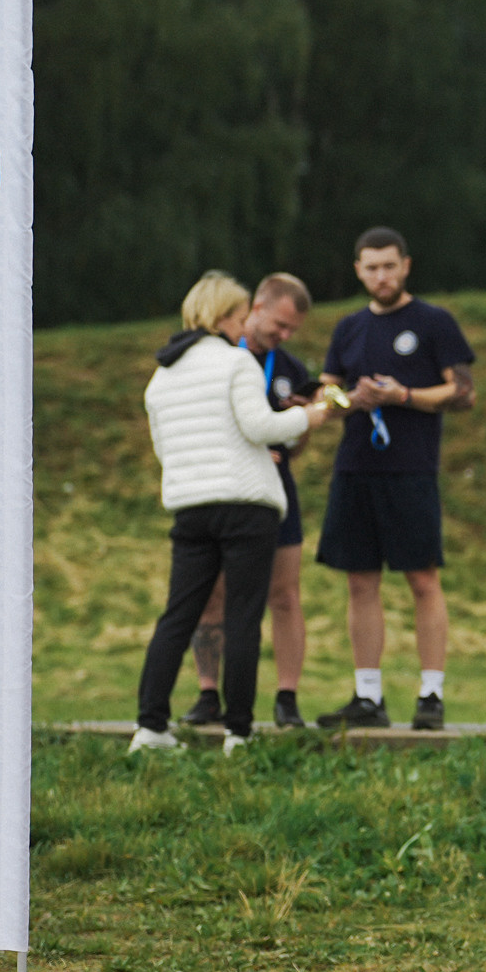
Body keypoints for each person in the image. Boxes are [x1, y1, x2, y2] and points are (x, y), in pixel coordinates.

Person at [129, 272, 332, 755]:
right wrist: (313, 416)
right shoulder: (236, 362)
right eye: (241, 319)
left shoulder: (162, 376)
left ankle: (150, 726)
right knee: (243, 617)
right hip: (245, 507)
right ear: (222, 317)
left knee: (178, 615)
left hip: (191, 508)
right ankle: (238, 733)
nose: (245, 329)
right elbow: (261, 427)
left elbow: (165, 447)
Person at [315, 228, 476, 730]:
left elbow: (464, 392)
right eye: (371, 267)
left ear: (406, 266)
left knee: (422, 579)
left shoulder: (433, 321)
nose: (381, 275)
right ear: (358, 270)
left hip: (410, 469)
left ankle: (431, 695)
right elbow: (325, 397)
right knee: (360, 581)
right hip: (355, 469)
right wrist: (353, 400)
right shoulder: (348, 329)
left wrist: (403, 396)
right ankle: (368, 697)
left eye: (389, 265)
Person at [181, 273, 320, 730]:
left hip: (274, 493)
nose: (283, 335)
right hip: (224, 492)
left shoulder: (290, 369)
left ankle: (287, 697)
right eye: (278, 323)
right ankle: (207, 694)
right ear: (256, 307)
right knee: (213, 595)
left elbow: (292, 443)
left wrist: (298, 426)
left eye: (291, 331)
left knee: (284, 592)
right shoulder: (215, 360)